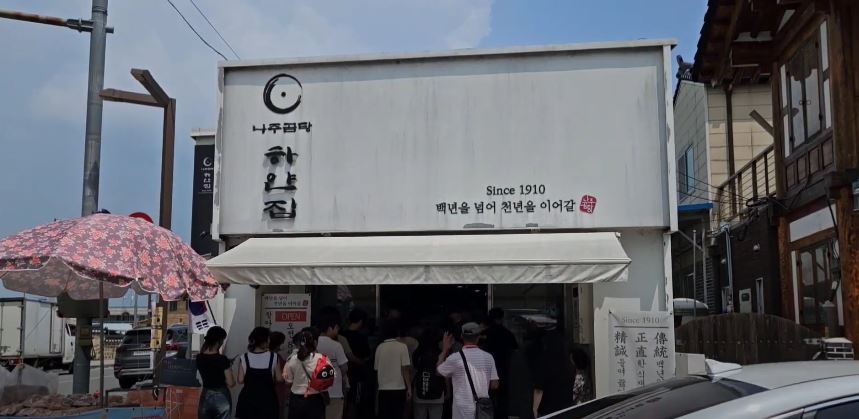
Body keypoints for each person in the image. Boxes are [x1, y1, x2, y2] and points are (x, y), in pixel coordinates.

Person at [437, 323, 499, 419]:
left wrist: (445, 350)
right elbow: (494, 385)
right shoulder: (488, 357)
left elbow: (438, 371)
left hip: (461, 411)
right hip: (482, 411)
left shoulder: (454, 358)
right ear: (478, 337)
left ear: (461, 336)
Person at [480, 308, 518, 419]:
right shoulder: (508, 334)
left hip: (486, 371)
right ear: (501, 318)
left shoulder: (485, 334)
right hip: (504, 369)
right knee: (503, 398)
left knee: (487, 397)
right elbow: (515, 350)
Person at [236, 327, 281, 419]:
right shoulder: (274, 357)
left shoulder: (244, 357)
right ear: (265, 340)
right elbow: (279, 378)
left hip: (248, 401)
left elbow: (240, 380)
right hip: (268, 401)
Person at [283, 330, 327, 419]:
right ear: (314, 343)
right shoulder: (320, 358)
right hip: (315, 400)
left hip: (297, 400)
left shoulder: (291, 359)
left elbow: (288, 382)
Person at [532, 331, 575, 418]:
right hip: (566, 408)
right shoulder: (568, 363)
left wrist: (534, 409)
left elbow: (539, 390)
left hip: (549, 408)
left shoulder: (544, 362)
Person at [375, 319, 412, 419]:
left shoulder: (379, 347)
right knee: (397, 415)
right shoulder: (402, 347)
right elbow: (405, 369)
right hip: (399, 389)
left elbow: (377, 369)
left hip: (383, 389)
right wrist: (409, 388)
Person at [196, 327, 235, 419]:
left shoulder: (199, 358)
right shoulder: (222, 360)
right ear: (219, 341)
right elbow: (231, 383)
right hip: (222, 397)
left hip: (205, 395)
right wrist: (229, 367)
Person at [341, 309, 372, 419]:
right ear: (360, 321)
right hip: (357, 374)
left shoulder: (341, 335)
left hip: (342, 373)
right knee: (354, 401)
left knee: (343, 402)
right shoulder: (361, 337)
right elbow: (367, 355)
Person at [318, 313, 350, 419]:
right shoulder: (336, 345)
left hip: (315, 393)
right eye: (336, 328)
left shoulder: (313, 343)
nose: (337, 331)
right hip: (334, 391)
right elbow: (344, 367)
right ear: (330, 328)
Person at [412, 329, 445, 419]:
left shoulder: (418, 354)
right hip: (437, 393)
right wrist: (448, 391)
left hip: (420, 391)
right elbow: (444, 374)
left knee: (419, 415)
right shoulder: (440, 353)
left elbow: (414, 369)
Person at [270, 332, 288, 418]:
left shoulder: (272, 356)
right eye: (282, 343)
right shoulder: (276, 357)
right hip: (277, 392)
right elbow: (280, 377)